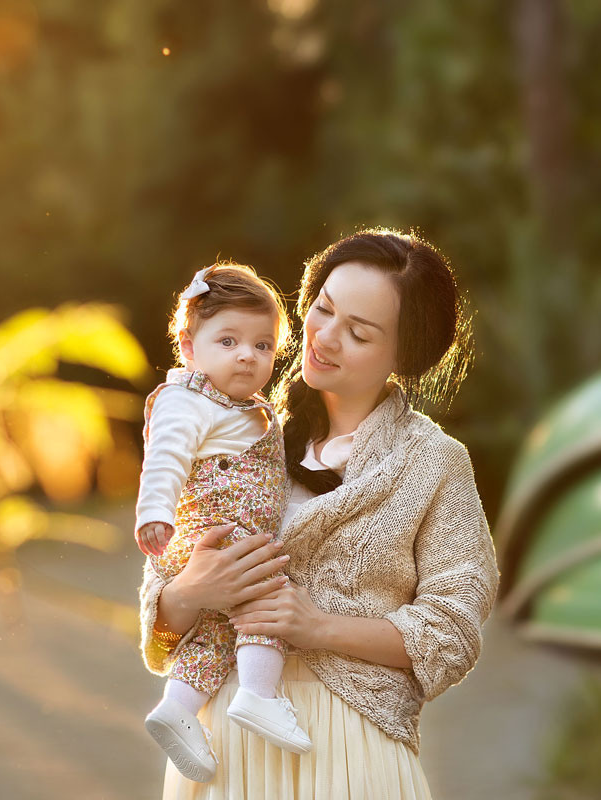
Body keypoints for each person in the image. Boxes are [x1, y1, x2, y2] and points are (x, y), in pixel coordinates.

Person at [137, 229, 500, 799]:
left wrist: (317, 627)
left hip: (352, 747)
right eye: (323, 309)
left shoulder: (434, 463)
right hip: (221, 746)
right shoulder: (237, 428)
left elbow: (452, 632)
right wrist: (187, 593)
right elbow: (162, 627)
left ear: (405, 353)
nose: (325, 337)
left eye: (357, 333)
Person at [134, 263, 312, 784]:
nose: (246, 355)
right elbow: (164, 457)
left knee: (215, 635)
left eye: (262, 346)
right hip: (218, 535)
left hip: (224, 542)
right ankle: (259, 696)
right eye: (228, 340)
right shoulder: (186, 400)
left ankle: (177, 709)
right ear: (189, 348)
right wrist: (155, 513)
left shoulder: (247, 407)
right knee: (266, 593)